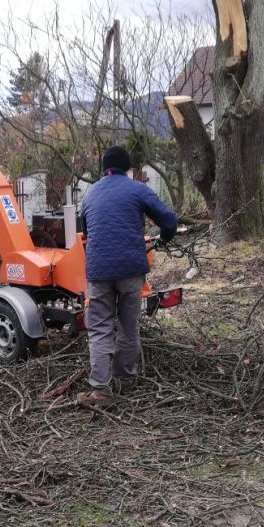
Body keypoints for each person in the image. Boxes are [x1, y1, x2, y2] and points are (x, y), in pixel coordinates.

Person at [76, 145, 178, 408]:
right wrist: (165, 238)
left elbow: (86, 231)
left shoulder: (90, 194)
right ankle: (126, 379)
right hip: (131, 271)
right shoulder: (137, 189)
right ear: (128, 168)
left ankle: (101, 390)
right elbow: (169, 220)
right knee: (128, 325)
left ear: (104, 169)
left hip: (99, 271)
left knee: (100, 328)